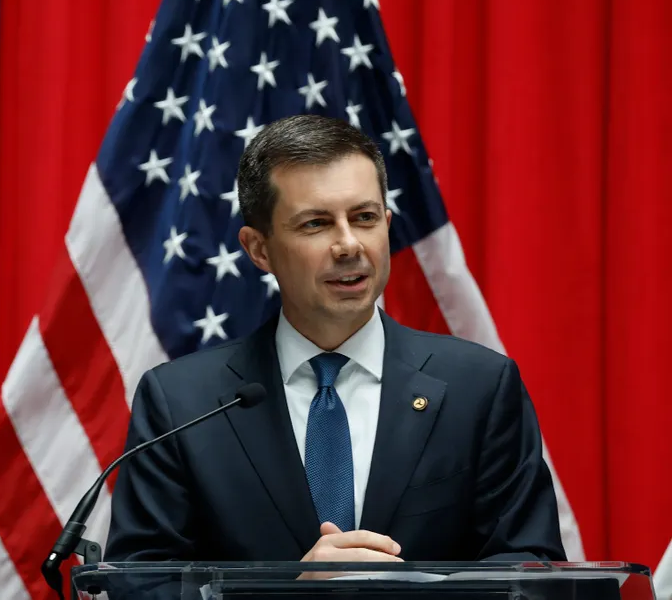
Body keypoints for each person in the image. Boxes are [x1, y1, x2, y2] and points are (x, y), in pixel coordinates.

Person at [104, 114, 566, 565]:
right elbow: (140, 582)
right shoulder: (183, 404)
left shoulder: (479, 388)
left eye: (365, 217)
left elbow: (529, 566)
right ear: (258, 249)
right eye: (316, 224)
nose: (349, 245)